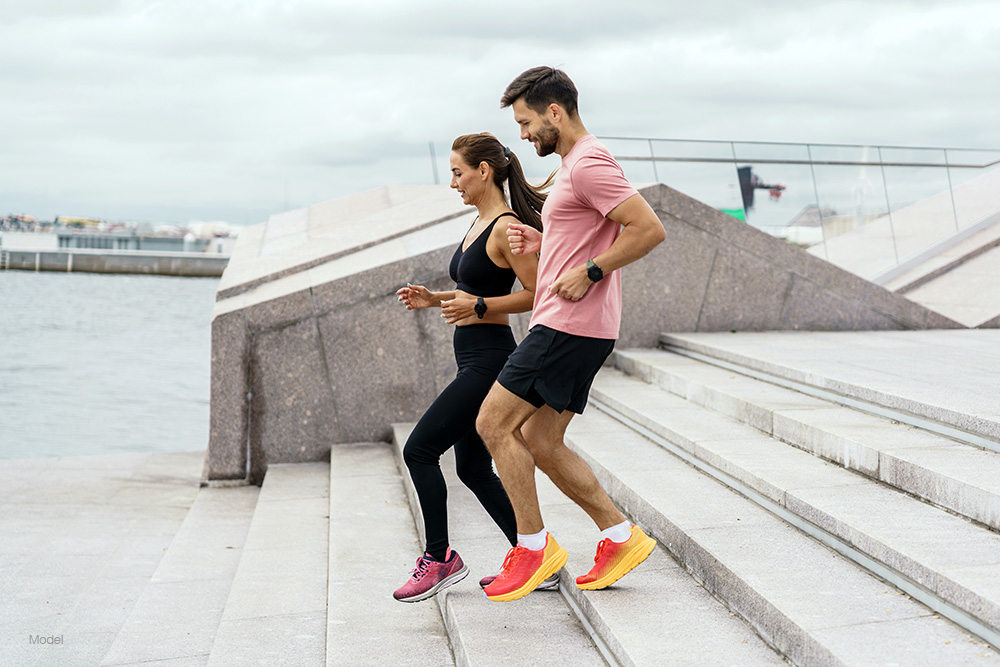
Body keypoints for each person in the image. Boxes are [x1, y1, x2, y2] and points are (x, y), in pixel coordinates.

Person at [476, 67, 667, 602]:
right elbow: (592, 229)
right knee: (540, 439)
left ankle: (533, 549)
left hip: (568, 325)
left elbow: (648, 228)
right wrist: (547, 241)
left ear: (554, 112)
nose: (522, 135)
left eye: (526, 122)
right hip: (573, 326)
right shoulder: (574, 165)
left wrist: (591, 270)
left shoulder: (588, 164)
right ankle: (620, 536)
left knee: (493, 423)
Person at [392, 132, 554, 603]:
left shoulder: (506, 227)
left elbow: (537, 293)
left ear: (484, 171)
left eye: (458, 173)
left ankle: (439, 557)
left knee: (420, 450)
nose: (453, 183)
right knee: (474, 468)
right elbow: (473, 289)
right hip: (472, 356)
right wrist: (435, 299)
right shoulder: (478, 223)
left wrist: (479, 306)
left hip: (490, 360)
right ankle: (536, 558)